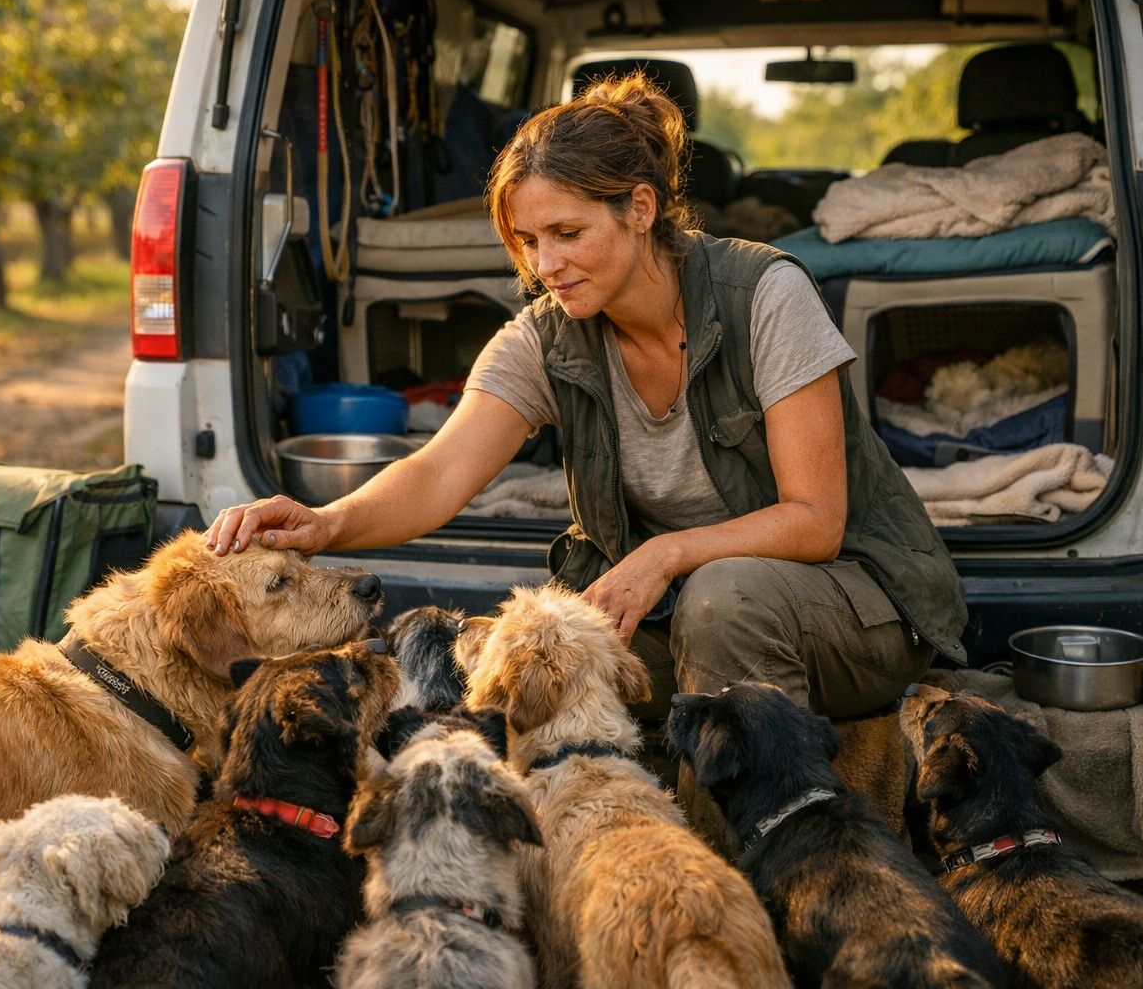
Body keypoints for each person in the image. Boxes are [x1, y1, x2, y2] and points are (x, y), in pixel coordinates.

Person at [209, 72, 966, 727]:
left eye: (568, 233)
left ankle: (737, 843)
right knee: (530, 661)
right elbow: (438, 472)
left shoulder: (765, 294)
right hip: (677, 610)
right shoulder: (546, 337)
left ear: (641, 208)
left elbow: (816, 521)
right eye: (528, 240)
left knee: (725, 598)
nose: (546, 264)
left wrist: (664, 554)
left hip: (851, 607)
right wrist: (327, 524)